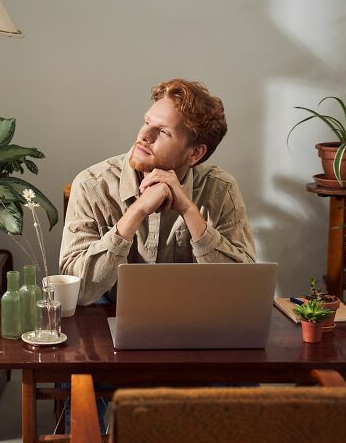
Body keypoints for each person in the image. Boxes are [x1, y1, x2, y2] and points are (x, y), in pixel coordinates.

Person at [59, 78, 256, 305]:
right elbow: (77, 293)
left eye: (163, 132)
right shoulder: (92, 185)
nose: (144, 135)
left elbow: (243, 290)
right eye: (146, 122)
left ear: (195, 154)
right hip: (107, 319)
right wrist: (137, 211)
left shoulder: (221, 189)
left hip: (193, 323)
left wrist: (189, 211)